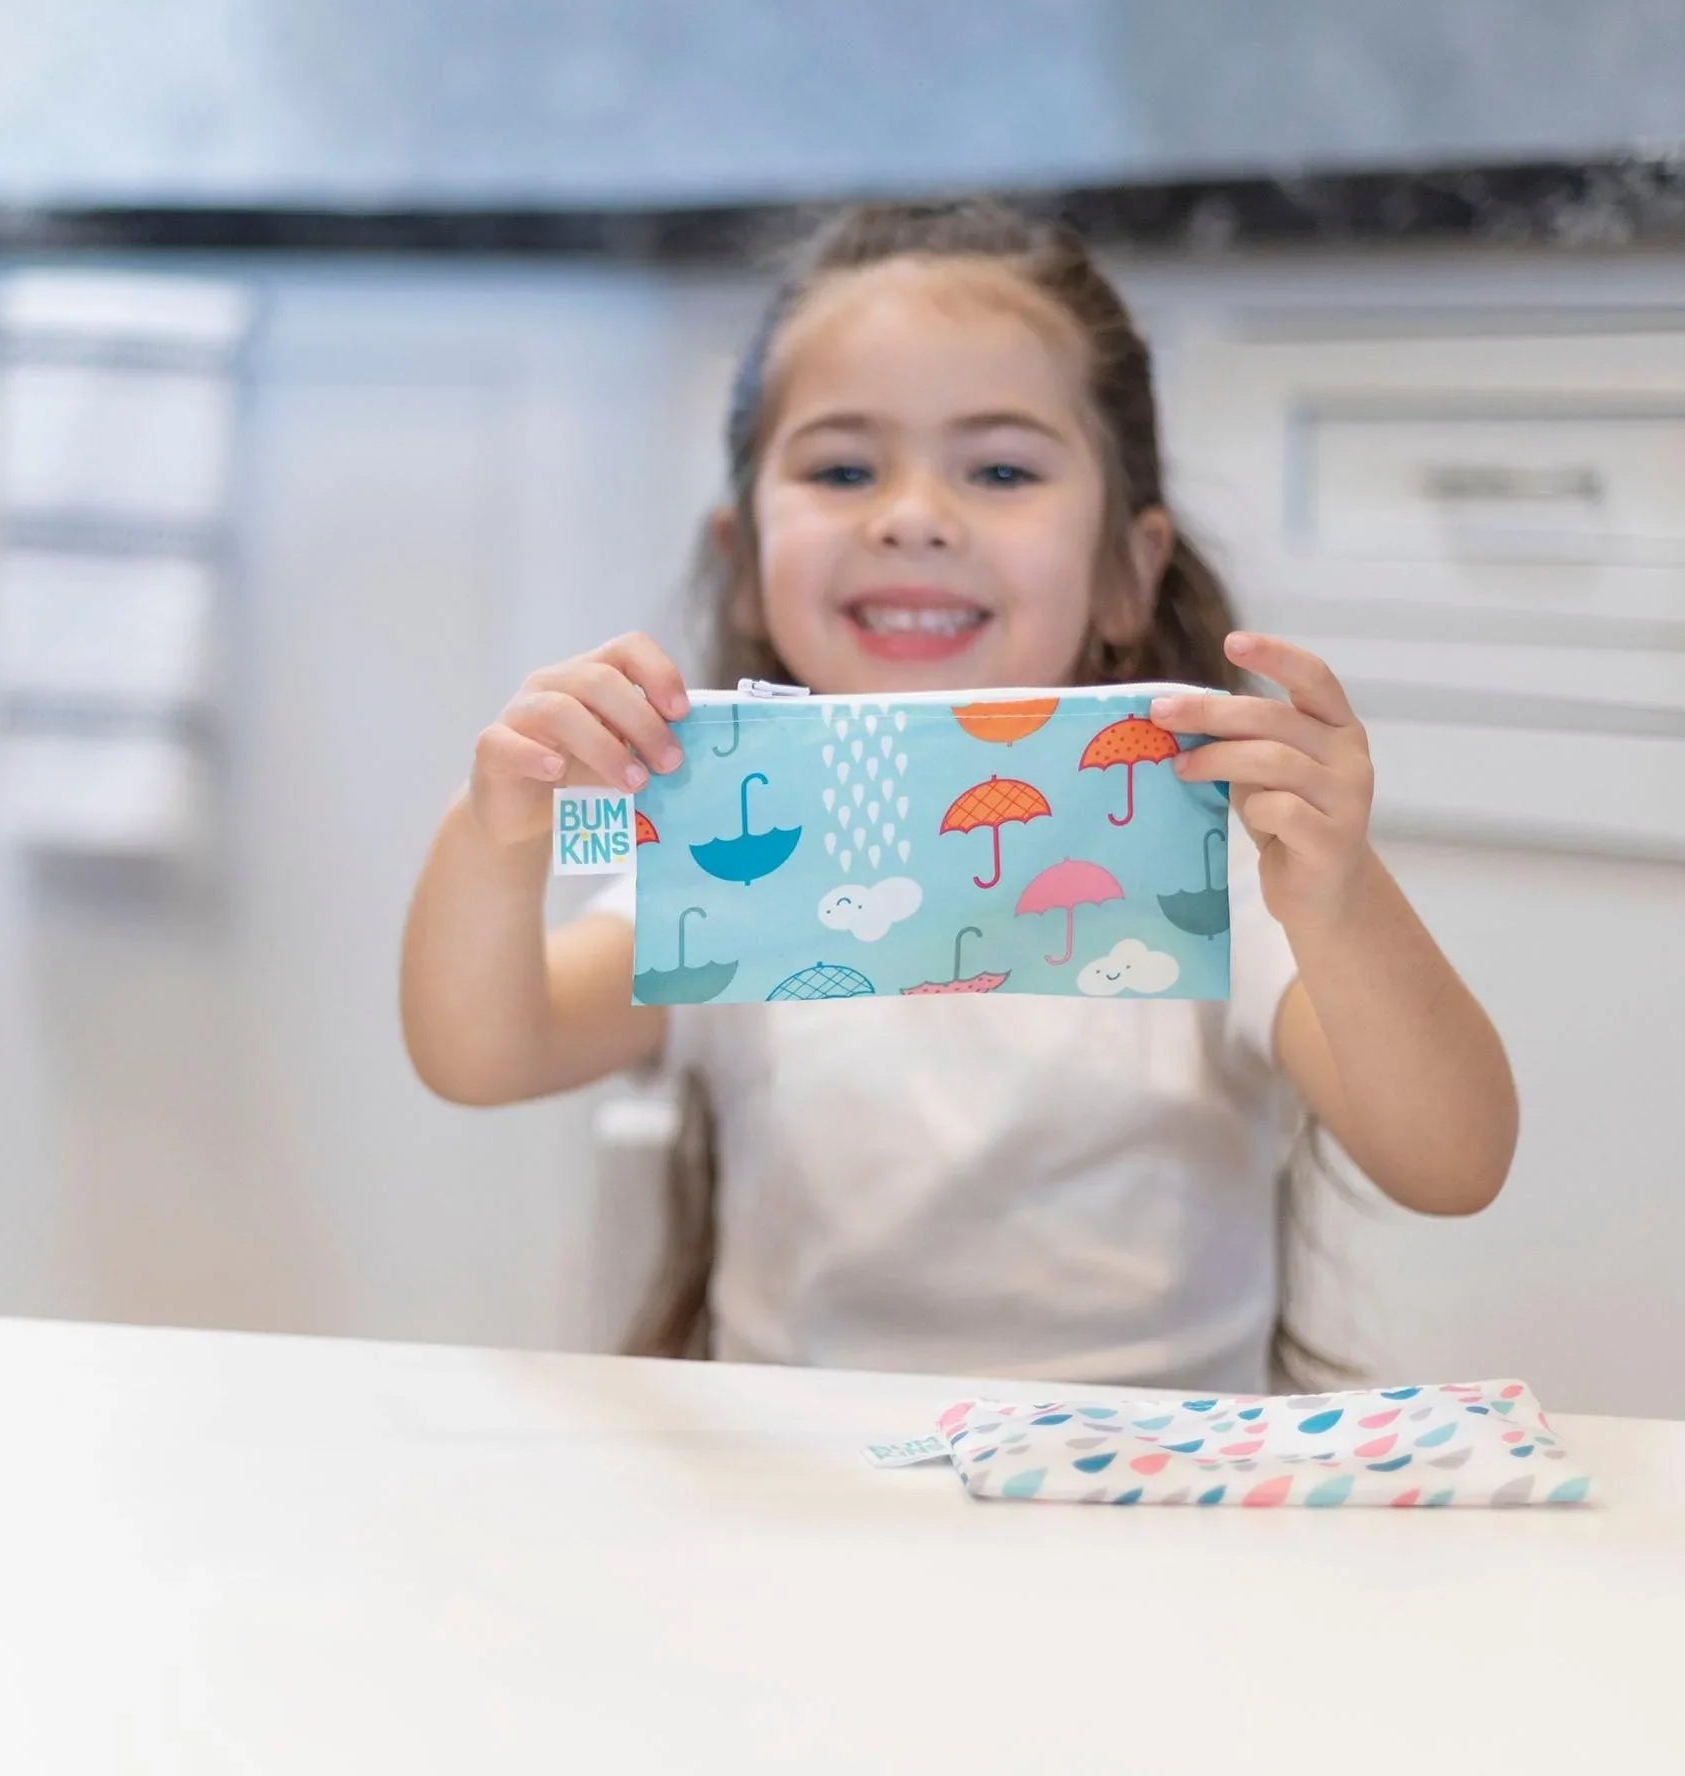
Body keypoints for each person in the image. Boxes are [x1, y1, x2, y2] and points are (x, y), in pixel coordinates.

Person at [400, 201, 1517, 1392]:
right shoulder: (736, 853)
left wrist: (1338, 900)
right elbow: (483, 1049)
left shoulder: (1213, 868)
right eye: (841, 467)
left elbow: (1449, 1161)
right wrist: (497, 827)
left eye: (997, 467)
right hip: (805, 1499)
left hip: (1153, 1522)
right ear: (744, 558)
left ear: (1124, 572)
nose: (912, 515)